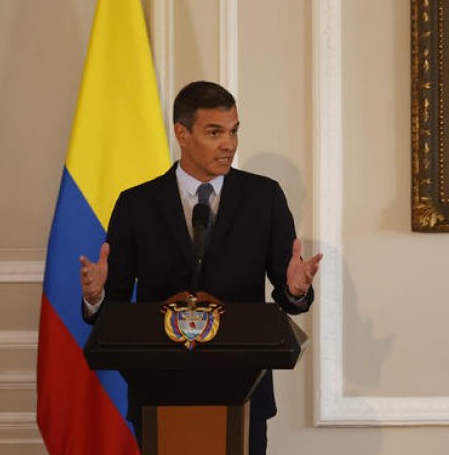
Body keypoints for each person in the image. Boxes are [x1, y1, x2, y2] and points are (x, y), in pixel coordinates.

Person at [79, 80, 322, 455]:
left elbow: (288, 301)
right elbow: (114, 306)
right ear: (182, 133)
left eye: (234, 131)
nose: (229, 144)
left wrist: (295, 288)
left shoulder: (264, 197)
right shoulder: (136, 204)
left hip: (243, 386)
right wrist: (96, 297)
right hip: (157, 387)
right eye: (215, 132)